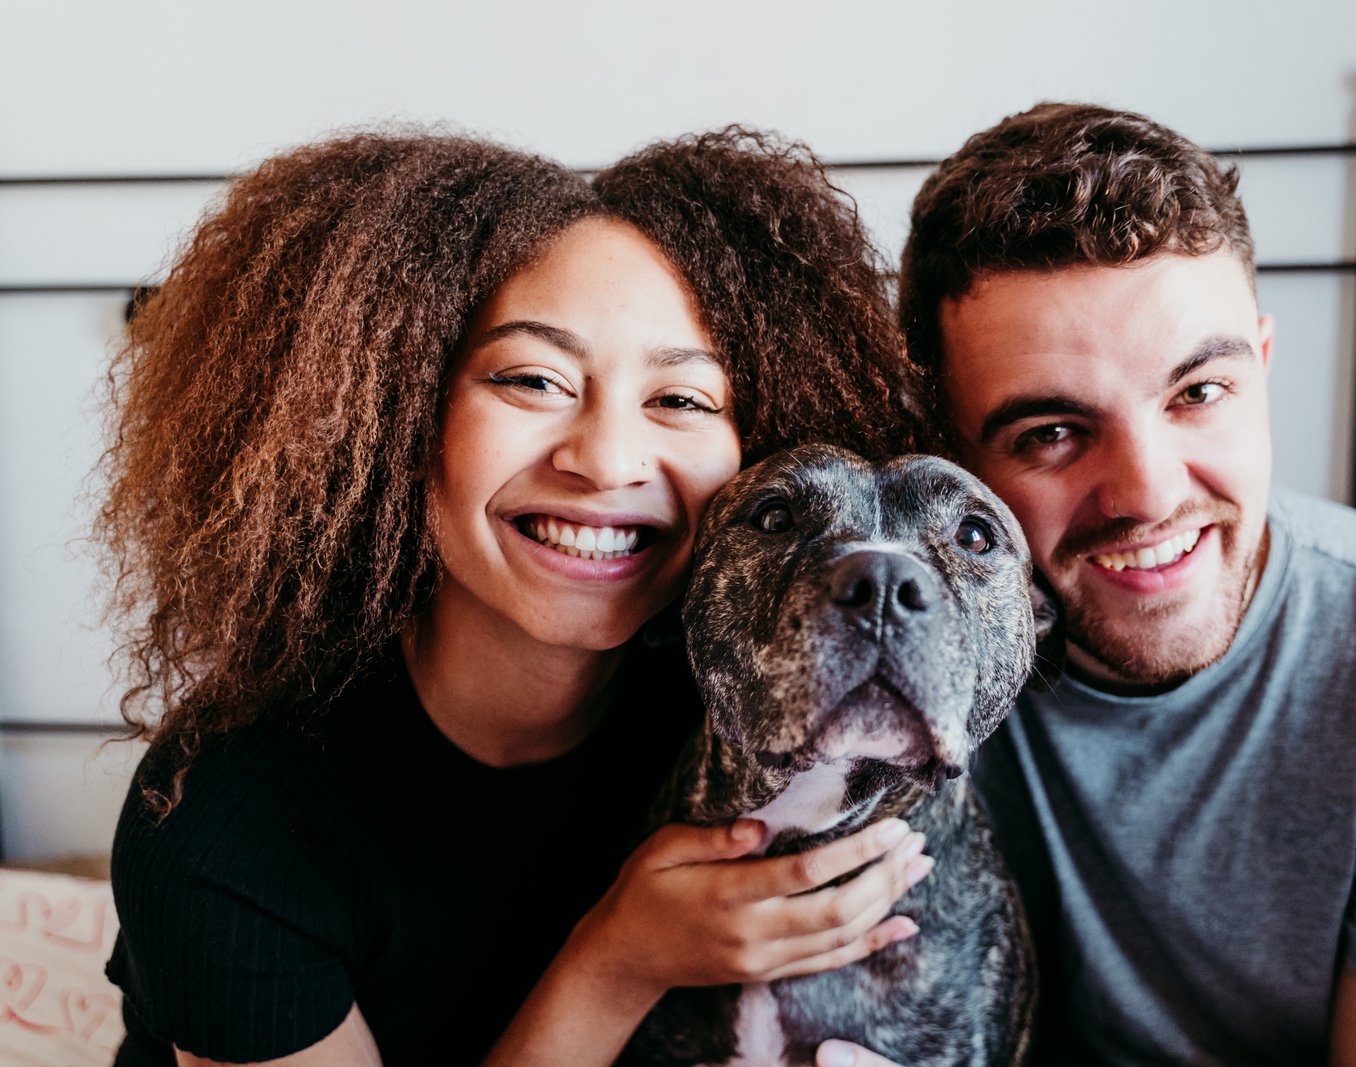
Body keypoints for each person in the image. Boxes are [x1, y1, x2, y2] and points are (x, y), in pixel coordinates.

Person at [100, 128, 935, 1067]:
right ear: (399, 420)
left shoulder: (747, 722)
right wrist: (620, 961)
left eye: (683, 401)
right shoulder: (230, 815)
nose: (608, 461)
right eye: (533, 380)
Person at [823, 103, 1356, 1067]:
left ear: (1261, 370)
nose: (1148, 493)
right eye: (1051, 432)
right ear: (946, 454)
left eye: (1199, 393)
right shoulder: (878, 639)